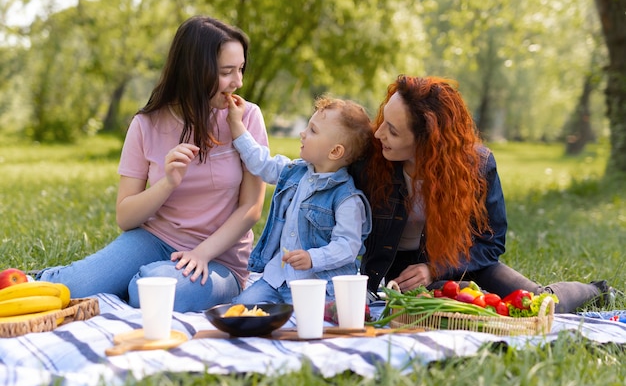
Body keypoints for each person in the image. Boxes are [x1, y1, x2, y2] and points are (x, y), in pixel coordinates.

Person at [35, 16, 268, 312]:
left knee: (149, 291)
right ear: (195, 72)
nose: (238, 83)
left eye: (240, 69)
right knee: (68, 288)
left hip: (219, 259)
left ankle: (136, 283)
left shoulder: (247, 118)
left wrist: (201, 253)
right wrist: (168, 182)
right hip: (153, 240)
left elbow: (251, 208)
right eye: (227, 72)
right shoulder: (146, 124)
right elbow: (126, 217)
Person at [351, 74, 613, 313]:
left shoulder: (476, 165)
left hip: (458, 264)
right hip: (390, 270)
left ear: (428, 141)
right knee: (436, 311)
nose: (378, 132)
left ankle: (598, 290)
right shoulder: (370, 162)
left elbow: (491, 242)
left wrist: (434, 269)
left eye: (393, 131)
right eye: (384, 119)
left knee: (539, 303)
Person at [226, 94, 373, 304]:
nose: (303, 134)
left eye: (313, 130)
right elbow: (261, 163)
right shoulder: (295, 172)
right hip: (279, 279)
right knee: (242, 307)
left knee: (321, 320)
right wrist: (236, 124)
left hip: (319, 286)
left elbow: (347, 246)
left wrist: (313, 258)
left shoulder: (346, 199)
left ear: (335, 151)